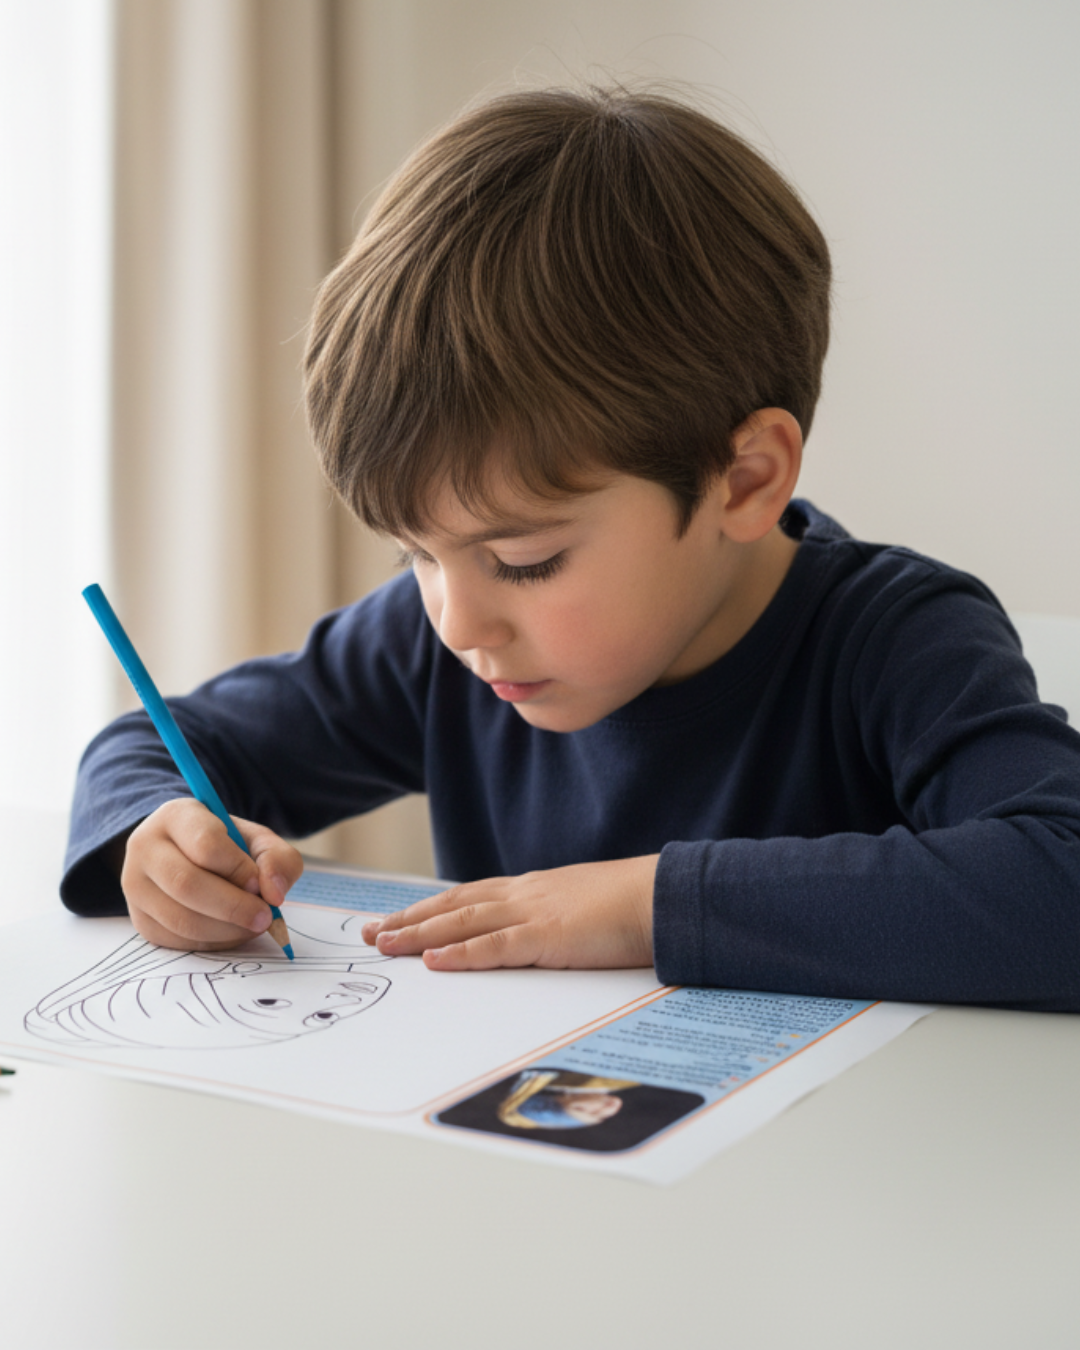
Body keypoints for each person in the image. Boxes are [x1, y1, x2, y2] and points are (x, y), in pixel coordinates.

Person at [62, 85, 1080, 1010]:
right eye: (418, 553)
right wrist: (160, 840)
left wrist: (644, 903)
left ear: (747, 480)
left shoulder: (894, 641)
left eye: (526, 561)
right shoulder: (438, 644)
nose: (459, 622)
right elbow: (152, 746)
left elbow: (1060, 882)